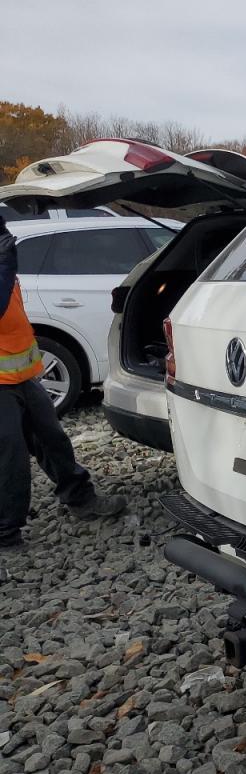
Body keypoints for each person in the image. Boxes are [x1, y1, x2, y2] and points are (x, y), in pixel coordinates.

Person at [0, 217, 125, 550]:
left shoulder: (5, 266)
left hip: (22, 377)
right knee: (9, 458)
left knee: (52, 439)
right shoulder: (3, 267)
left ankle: (81, 498)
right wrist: (4, 263)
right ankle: (6, 533)